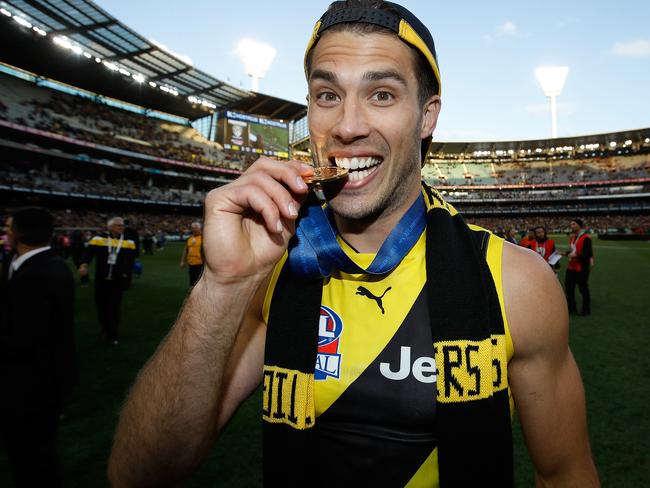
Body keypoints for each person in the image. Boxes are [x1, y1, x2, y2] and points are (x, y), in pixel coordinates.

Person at [108, 2, 599, 486]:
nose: (347, 125)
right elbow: (139, 474)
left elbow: (564, 474)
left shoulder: (515, 282)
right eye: (327, 95)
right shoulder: (276, 269)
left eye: (381, 94)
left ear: (426, 117)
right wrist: (222, 285)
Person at [0, 207, 76, 487]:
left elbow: (23, 337)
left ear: (17, 233)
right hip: (38, 377)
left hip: (32, 382)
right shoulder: (29, 263)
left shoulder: (40, 273)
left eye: (9, 226)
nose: (6, 231)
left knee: (32, 455)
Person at [79, 216, 137, 345]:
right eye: (118, 225)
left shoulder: (129, 242)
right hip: (101, 280)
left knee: (114, 308)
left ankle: (113, 334)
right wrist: (84, 265)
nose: (122, 227)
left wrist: (127, 279)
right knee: (101, 307)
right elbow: (88, 254)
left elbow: (130, 263)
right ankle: (105, 329)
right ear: (110, 227)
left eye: (122, 225)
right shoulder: (98, 239)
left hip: (117, 281)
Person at [564, 219, 594, 316]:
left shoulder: (586, 238)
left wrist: (575, 256)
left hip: (581, 268)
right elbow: (573, 251)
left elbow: (588, 254)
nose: (571, 226)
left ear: (579, 226)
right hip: (571, 267)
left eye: (573, 224)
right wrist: (564, 253)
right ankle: (572, 308)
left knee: (583, 289)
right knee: (569, 288)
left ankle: (586, 309)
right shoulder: (573, 237)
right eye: (571, 224)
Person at [179, 221, 204, 287]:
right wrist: (182, 261)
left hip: (201, 264)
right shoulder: (190, 238)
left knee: (200, 283)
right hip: (191, 264)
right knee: (192, 283)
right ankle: (193, 295)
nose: (194, 229)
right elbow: (185, 250)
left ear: (200, 228)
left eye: (196, 228)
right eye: (193, 228)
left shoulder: (204, 238)